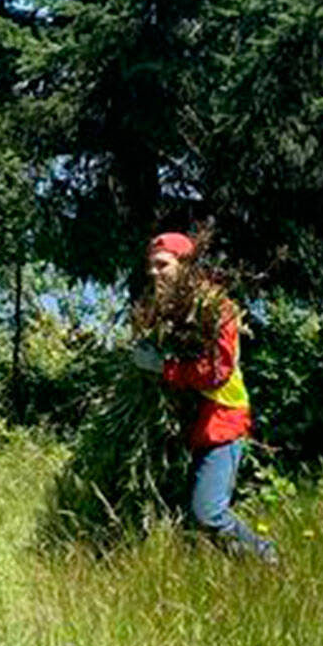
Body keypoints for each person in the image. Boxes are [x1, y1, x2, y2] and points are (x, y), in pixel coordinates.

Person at [132, 231, 278, 564]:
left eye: (162, 265)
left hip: (223, 418)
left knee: (208, 513)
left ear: (185, 265)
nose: (153, 272)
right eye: (150, 266)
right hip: (197, 423)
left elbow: (217, 372)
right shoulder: (170, 309)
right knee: (192, 519)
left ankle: (267, 558)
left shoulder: (216, 308)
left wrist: (164, 368)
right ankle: (249, 572)